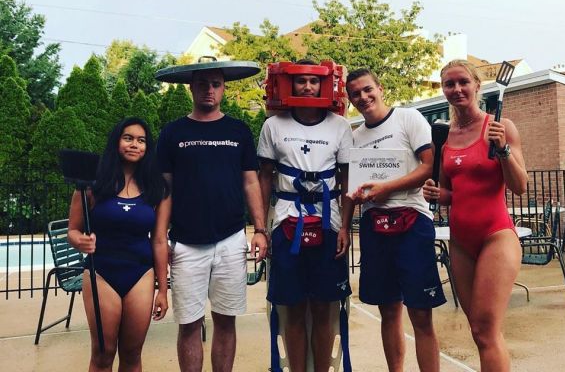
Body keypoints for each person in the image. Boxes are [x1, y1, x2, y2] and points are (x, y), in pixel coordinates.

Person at [156, 67, 268, 372]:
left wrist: (260, 229)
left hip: (230, 239)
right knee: (189, 324)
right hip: (186, 242)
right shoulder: (173, 133)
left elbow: (251, 182)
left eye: (216, 84)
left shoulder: (238, 131)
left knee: (226, 320)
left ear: (224, 89)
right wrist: (160, 238)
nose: (209, 89)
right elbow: (165, 190)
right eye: (203, 84)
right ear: (191, 88)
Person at [422, 59, 528, 371]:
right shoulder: (443, 136)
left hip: (496, 236)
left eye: (463, 82)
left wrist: (503, 150)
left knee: (486, 330)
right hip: (461, 243)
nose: (456, 89)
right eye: (449, 84)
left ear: (477, 86)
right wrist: (436, 194)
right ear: (443, 90)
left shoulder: (500, 127)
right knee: (480, 332)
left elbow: (520, 186)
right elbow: (449, 193)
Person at [346, 68, 446, 372]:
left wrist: (386, 188)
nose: (363, 97)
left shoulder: (408, 118)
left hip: (412, 222)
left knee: (421, 313)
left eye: (367, 89)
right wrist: (350, 211)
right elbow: (351, 187)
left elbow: (428, 167)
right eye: (355, 94)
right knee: (388, 311)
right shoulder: (355, 137)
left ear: (380, 88)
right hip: (374, 225)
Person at [257, 59, 354, 372]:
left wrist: (345, 227)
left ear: (324, 84)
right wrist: (261, 227)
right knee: (293, 309)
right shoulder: (274, 125)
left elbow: (347, 180)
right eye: (302, 81)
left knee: (325, 308)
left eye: (315, 81)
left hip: (329, 223)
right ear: (291, 83)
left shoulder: (340, 126)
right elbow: (264, 177)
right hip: (286, 220)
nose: (308, 87)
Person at [68, 117, 171, 371]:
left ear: (147, 147)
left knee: (132, 354)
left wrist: (162, 289)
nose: (134, 144)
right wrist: (80, 241)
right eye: (128, 138)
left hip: (140, 274)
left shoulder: (157, 188)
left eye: (141, 140)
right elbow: (73, 231)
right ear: (117, 142)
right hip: (101, 272)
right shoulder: (92, 184)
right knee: (103, 354)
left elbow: (159, 240)